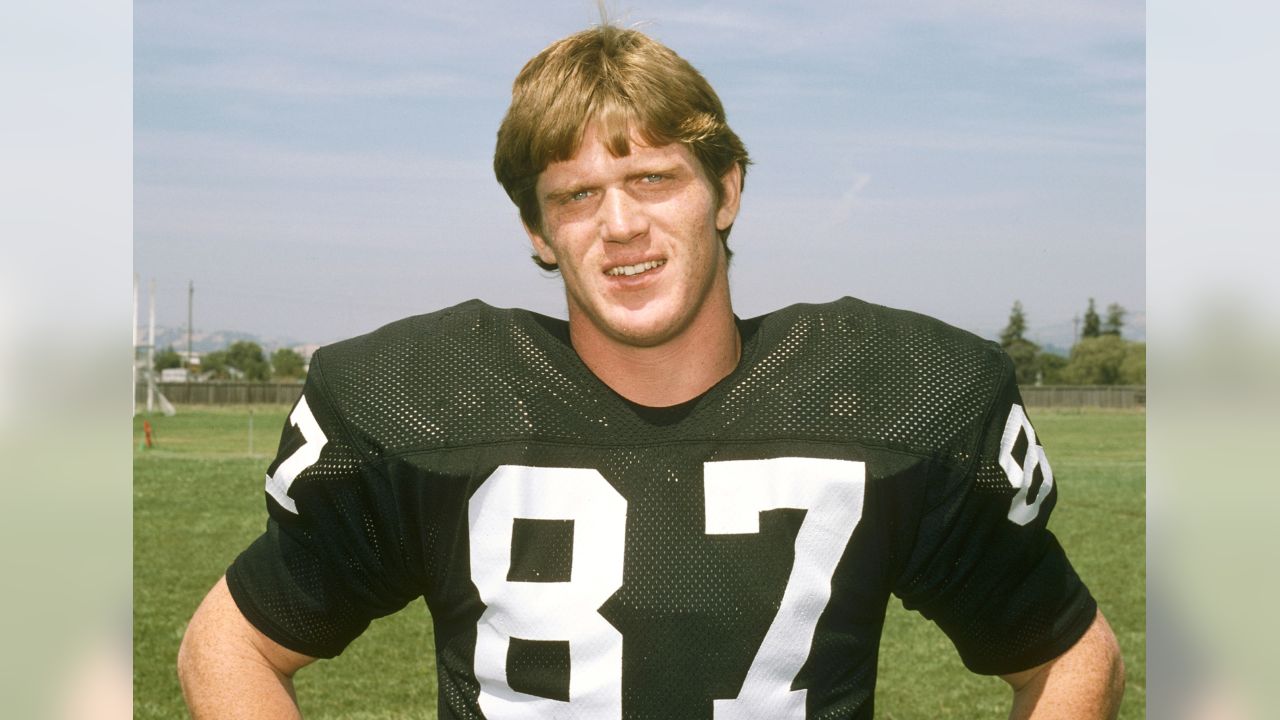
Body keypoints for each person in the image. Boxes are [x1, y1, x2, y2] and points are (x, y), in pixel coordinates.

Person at [178, 24, 1124, 719]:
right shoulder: (428, 398)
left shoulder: (896, 394)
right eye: (577, 195)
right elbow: (227, 645)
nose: (620, 224)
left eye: (653, 179)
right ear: (538, 233)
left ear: (727, 191)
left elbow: (1071, 654)